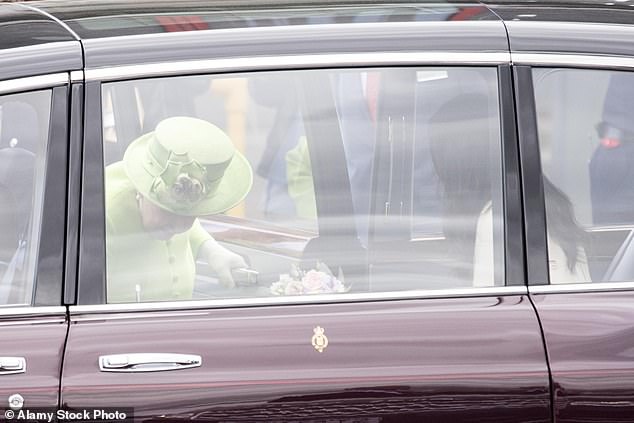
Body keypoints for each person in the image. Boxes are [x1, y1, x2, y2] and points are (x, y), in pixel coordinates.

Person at [105, 116, 253, 303]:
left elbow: (189, 225)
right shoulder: (101, 216)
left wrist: (211, 250)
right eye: (168, 210)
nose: (178, 225)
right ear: (141, 189)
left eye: (191, 214)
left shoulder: (172, 211)